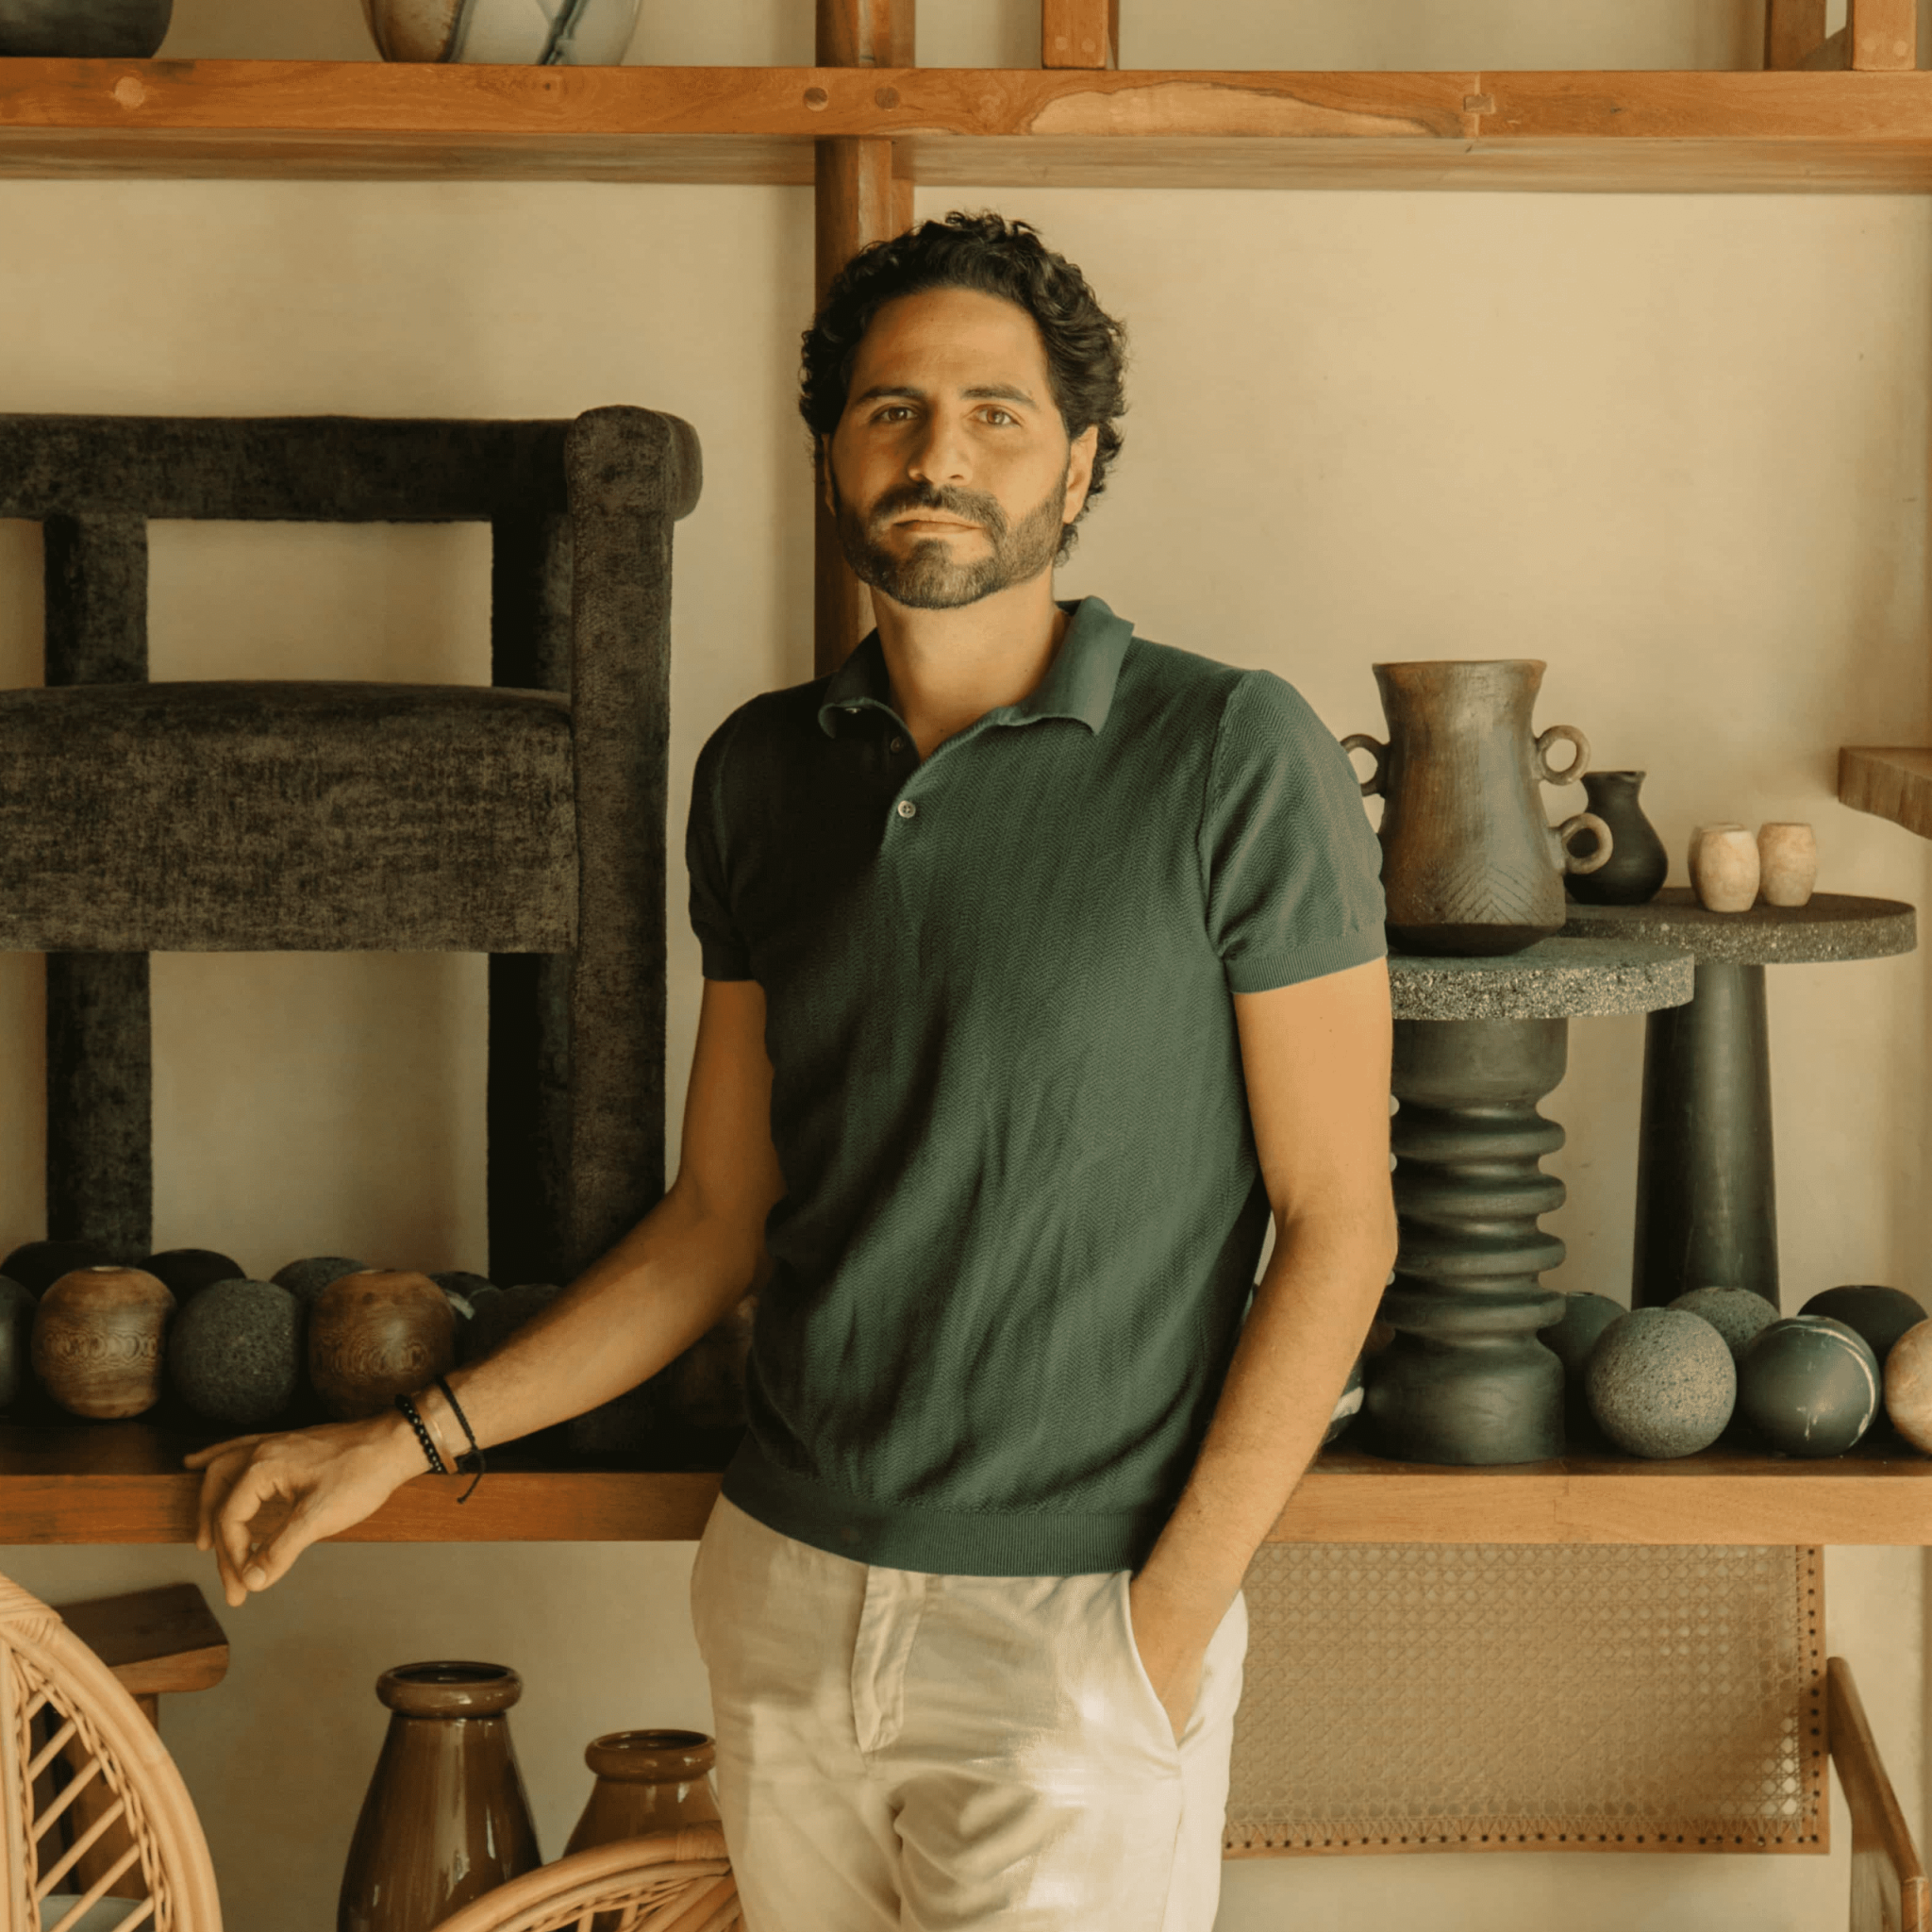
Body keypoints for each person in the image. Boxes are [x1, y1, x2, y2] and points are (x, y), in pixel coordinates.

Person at [190, 211, 1397, 1932]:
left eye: (998, 413)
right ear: (835, 451)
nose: (940, 454)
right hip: (781, 1599)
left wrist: (1164, 1628)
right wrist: (399, 1444)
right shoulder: (761, 772)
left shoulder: (1228, 752)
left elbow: (1339, 1220)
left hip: (1077, 1626)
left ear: (1084, 460)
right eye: (893, 410)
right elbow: (715, 1218)